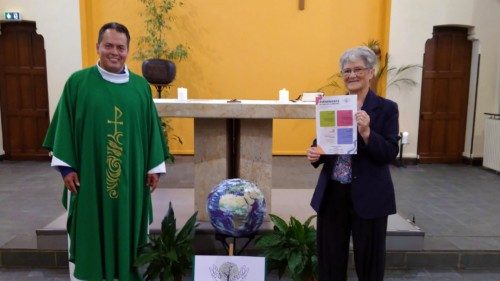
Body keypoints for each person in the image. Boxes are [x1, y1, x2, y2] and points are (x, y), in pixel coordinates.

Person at [43, 22, 169, 281]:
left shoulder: (140, 88)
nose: (115, 52)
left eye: (120, 47)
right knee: (92, 224)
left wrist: (152, 168)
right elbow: (64, 127)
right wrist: (66, 168)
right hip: (89, 179)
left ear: (128, 50)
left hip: (131, 181)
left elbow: (150, 132)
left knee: (126, 224)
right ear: (98, 46)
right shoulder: (78, 83)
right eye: (108, 45)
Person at [306, 46, 399, 281]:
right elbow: (324, 141)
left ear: (371, 72)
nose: (351, 75)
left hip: (370, 194)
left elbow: (389, 152)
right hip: (334, 194)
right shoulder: (333, 104)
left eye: (358, 69)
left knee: (370, 263)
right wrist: (316, 153)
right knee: (330, 260)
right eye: (346, 71)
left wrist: (367, 132)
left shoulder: (387, 108)